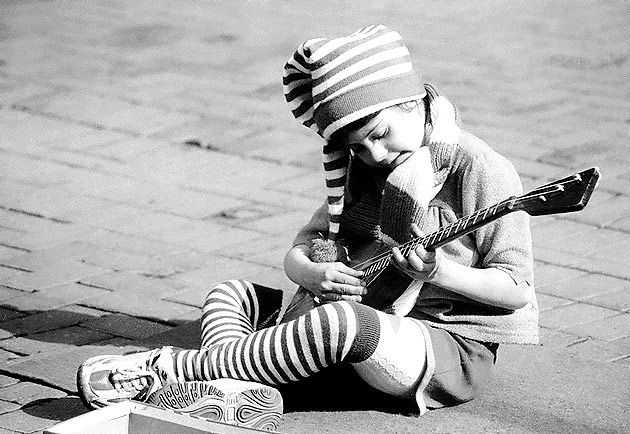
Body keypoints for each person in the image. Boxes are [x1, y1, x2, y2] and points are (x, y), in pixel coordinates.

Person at [76, 24, 539, 431]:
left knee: (343, 321)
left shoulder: (479, 167)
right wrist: (311, 275)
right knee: (231, 292)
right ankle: (234, 394)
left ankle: (175, 372)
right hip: (347, 321)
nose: (373, 155)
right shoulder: (364, 170)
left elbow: (516, 289)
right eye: (358, 148)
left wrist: (438, 272)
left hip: (436, 348)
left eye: (379, 134)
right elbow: (302, 247)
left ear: (412, 102)